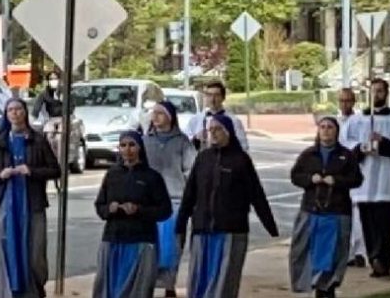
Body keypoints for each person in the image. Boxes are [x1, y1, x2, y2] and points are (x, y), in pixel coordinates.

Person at [176, 114, 279, 298]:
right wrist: (180, 223)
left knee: (223, 282)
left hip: (230, 231)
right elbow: (190, 193)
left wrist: (271, 226)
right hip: (202, 230)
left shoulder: (240, 160)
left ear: (228, 132)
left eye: (217, 129)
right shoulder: (203, 158)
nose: (213, 133)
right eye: (210, 130)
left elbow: (257, 195)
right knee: (199, 279)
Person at [0, 98, 61, 298]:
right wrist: (1, 174)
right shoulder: (0, 141)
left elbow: (55, 170)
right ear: (6, 114)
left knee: (35, 252)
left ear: (25, 112)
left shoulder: (37, 140)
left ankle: (35, 290)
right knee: (7, 247)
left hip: (32, 203)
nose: (14, 113)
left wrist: (31, 171)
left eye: (18, 109)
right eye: (10, 110)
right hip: (6, 203)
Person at [341, 78, 390, 278]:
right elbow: (346, 143)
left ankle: (381, 258)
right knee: (367, 222)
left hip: (386, 178)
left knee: (383, 222)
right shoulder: (357, 120)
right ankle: (376, 258)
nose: (376, 95)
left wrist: (382, 143)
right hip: (364, 179)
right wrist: (362, 147)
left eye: (380, 91)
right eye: (373, 91)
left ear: (386, 93)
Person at [289, 116, 363, 298]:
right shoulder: (308, 155)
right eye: (322, 127)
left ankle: (327, 287)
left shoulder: (346, 155)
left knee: (334, 252)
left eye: (330, 127)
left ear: (336, 131)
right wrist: (309, 180)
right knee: (305, 250)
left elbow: (357, 179)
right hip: (311, 210)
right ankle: (311, 283)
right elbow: (295, 176)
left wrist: (336, 181)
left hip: (337, 212)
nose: (326, 130)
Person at [92, 131, 173, 298]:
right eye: (123, 145)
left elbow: (165, 210)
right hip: (113, 239)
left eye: (131, 145)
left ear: (139, 148)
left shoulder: (152, 177)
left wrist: (139, 210)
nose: (127, 150)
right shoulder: (112, 175)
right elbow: (100, 206)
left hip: (141, 241)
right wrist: (110, 209)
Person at [143, 101, 197, 298]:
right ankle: (146, 283)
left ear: (170, 117)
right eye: (153, 113)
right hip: (149, 203)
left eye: (160, 113)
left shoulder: (182, 142)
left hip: (175, 201)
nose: (155, 117)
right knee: (149, 247)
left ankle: (169, 286)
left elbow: (191, 170)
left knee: (172, 246)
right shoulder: (145, 141)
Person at [336, 88, 366, 268]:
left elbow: (362, 145)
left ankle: (359, 252)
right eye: (341, 101)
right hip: (337, 173)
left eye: (348, 101)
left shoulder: (360, 121)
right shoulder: (333, 122)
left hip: (355, 172)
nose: (344, 104)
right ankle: (344, 254)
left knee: (357, 216)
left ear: (353, 102)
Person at [186, 80, 249, 151]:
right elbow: (185, 146)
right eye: (209, 95)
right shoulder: (195, 120)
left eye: (216, 95)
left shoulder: (233, 121)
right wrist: (196, 138)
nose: (212, 99)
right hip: (201, 160)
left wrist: (225, 141)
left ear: (223, 98)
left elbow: (244, 146)